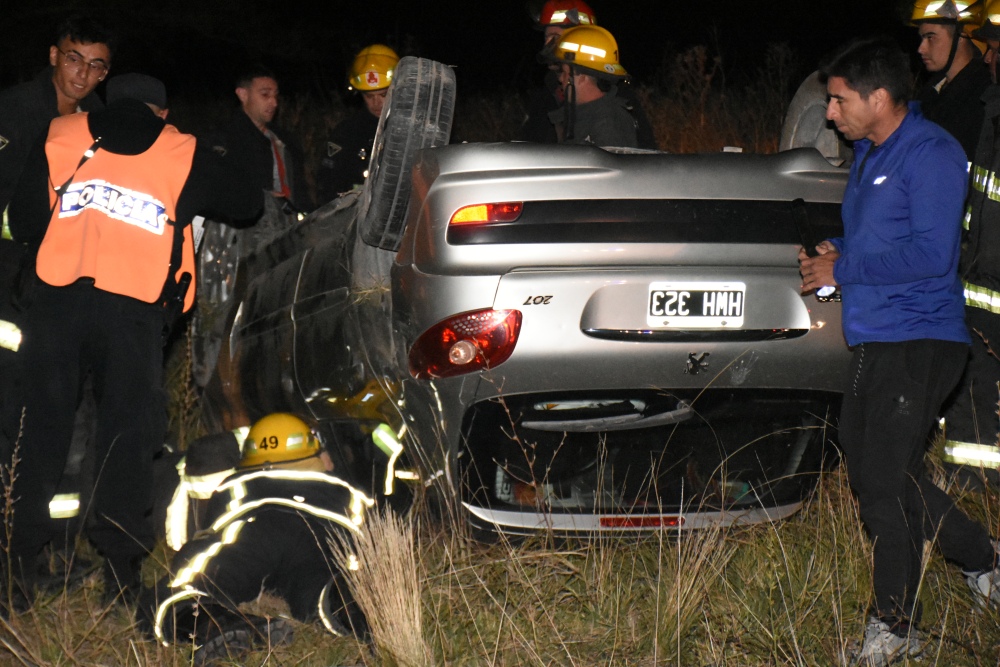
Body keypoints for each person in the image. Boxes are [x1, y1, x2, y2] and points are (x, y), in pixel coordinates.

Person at [0, 73, 263, 610]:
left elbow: (25, 220)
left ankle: (14, 571)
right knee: (126, 439)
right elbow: (246, 201)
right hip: (134, 317)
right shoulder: (181, 149)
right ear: (161, 113)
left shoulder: (61, 134)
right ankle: (120, 577)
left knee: (39, 433)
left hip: (55, 308)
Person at [798, 36, 1000, 665]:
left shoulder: (933, 154)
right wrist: (831, 250)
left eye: (838, 100)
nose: (829, 112)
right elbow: (876, 237)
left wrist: (846, 266)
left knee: (883, 481)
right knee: (877, 473)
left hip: (921, 339)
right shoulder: (868, 153)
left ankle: (895, 624)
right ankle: (983, 559)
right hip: (876, 335)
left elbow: (931, 255)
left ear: (878, 98)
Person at [139, 413, 371, 663]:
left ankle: (214, 623)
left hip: (257, 529)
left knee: (194, 584)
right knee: (325, 591)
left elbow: (214, 522)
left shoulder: (239, 483)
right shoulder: (344, 490)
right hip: (322, 537)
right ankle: (359, 614)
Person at [943, 2, 1000, 471]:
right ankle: (972, 492)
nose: (987, 57)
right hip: (979, 289)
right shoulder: (992, 111)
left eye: (996, 47)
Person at [520, 0, 656, 149]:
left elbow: (641, 157)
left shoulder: (613, 99)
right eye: (546, 37)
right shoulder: (545, 98)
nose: (548, 45)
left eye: (555, 37)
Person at [207, 64, 311, 216]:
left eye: (275, 95)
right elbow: (217, 189)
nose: (274, 103)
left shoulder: (285, 140)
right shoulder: (224, 140)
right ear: (243, 95)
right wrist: (264, 199)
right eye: (265, 95)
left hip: (289, 226)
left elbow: (300, 190)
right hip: (249, 229)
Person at [315, 44, 399, 206]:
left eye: (383, 94)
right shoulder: (346, 133)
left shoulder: (417, 128)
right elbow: (327, 185)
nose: (377, 103)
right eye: (369, 96)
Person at [912, 0, 991, 160]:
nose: (921, 48)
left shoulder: (983, 97)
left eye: (931, 37)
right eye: (922, 38)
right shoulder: (931, 92)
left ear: (961, 35)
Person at [543, 24, 638, 147]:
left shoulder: (608, 123)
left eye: (564, 72)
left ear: (582, 77)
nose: (561, 79)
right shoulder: (582, 117)